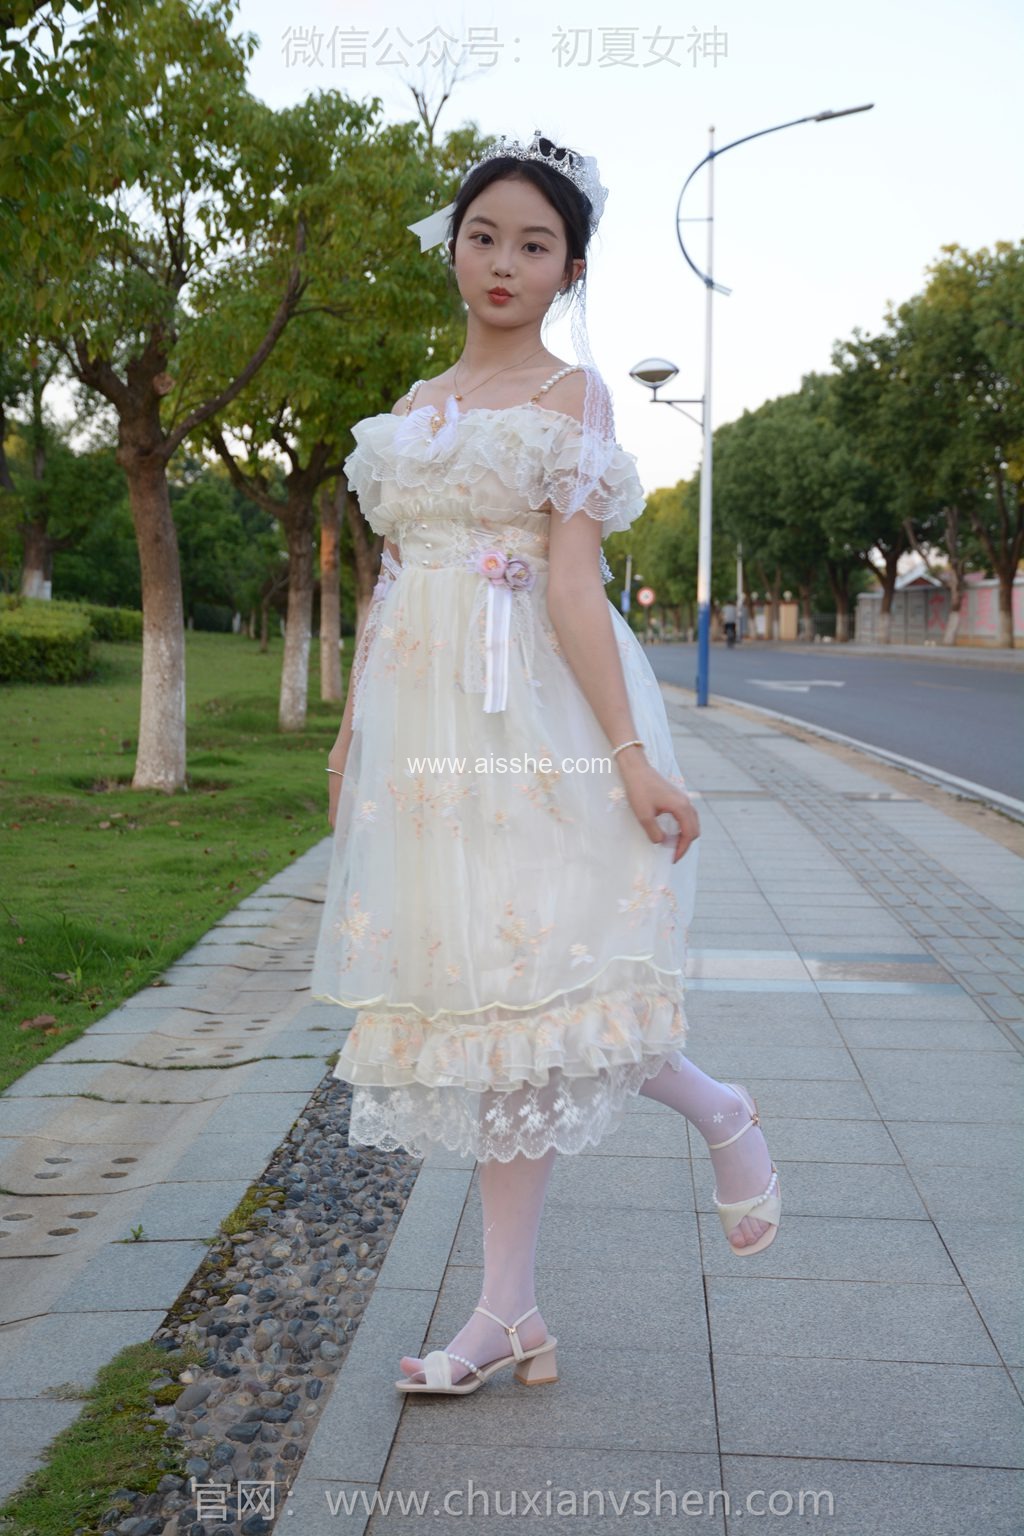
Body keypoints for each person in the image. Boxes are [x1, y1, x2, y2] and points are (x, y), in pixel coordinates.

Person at [311, 129, 781, 1398]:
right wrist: (352, 737)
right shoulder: (410, 411)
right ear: (453, 250)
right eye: (484, 237)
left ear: (570, 269)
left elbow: (574, 584)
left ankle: (717, 1111)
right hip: (428, 744)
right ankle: (509, 1311)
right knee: (483, 1012)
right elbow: (393, 586)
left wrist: (631, 758)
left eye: (534, 244)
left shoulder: (575, 399)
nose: (503, 262)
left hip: (540, 724)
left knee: (550, 981)